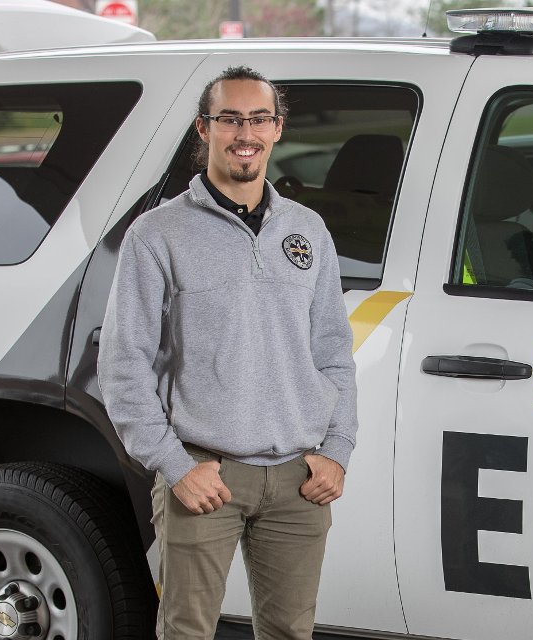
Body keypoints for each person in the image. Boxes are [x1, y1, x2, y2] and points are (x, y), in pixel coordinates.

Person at [97, 65, 358, 640]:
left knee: (290, 633)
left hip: (298, 479)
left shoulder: (308, 231)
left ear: (277, 129)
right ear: (203, 128)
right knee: (187, 632)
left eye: (259, 119)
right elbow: (123, 366)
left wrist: (336, 450)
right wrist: (174, 465)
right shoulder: (156, 235)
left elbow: (334, 352)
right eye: (231, 119)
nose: (246, 133)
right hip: (204, 474)